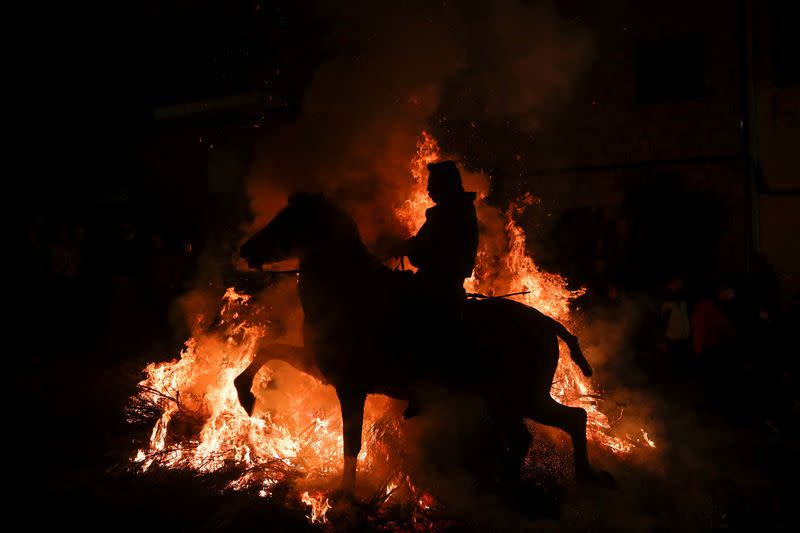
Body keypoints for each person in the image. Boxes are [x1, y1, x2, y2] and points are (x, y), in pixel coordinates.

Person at [389, 160, 479, 417]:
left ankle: (418, 387)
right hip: (437, 280)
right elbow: (424, 244)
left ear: (447, 185)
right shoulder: (454, 210)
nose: (428, 190)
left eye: (433, 185)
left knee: (402, 317)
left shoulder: (451, 214)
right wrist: (406, 246)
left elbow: (430, 250)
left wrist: (409, 249)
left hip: (439, 285)